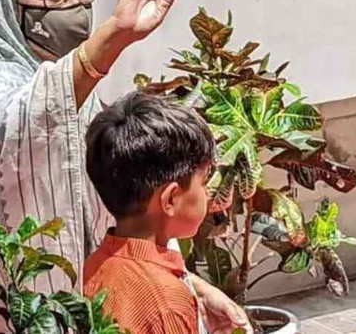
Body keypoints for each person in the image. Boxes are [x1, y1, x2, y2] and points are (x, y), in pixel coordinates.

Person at [0, 0, 249, 331]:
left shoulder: (76, 88)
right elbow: (23, 121)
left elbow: (120, 214)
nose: (75, 8)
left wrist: (189, 286)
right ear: (3, 0)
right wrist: (116, 35)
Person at [84, 91, 253, 334]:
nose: (207, 193)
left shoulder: (95, 265)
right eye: (203, 182)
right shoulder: (168, 305)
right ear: (171, 199)